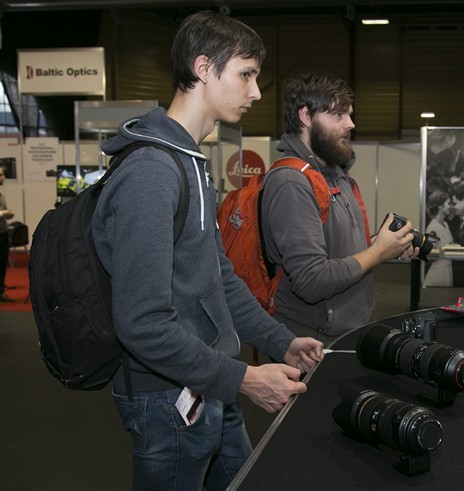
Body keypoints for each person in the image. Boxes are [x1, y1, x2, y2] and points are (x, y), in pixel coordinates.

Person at [91, 11, 324, 491]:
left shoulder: (188, 162)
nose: (256, 91)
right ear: (202, 68)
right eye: (246, 74)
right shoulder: (152, 173)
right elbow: (141, 322)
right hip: (167, 402)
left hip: (209, 385)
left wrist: (280, 341)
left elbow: (217, 278)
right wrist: (243, 379)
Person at [260, 72, 417, 343]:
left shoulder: (334, 175)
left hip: (342, 333)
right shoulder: (291, 182)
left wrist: (384, 245)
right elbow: (312, 281)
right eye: (339, 115)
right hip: (308, 341)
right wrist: (378, 252)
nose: (351, 124)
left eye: (350, 114)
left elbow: (336, 253)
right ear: (305, 116)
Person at [422, 189, 454, 287]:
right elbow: (428, 254)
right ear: (440, 206)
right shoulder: (433, 228)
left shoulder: (446, 224)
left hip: (447, 269)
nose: (451, 206)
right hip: (438, 272)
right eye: (448, 203)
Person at [0, 166, 14, 302]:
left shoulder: (1, 193)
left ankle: (1, 289)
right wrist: (3, 213)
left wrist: (7, 214)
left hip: (3, 231)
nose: (3, 177)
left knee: (3, 262)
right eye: (0, 175)